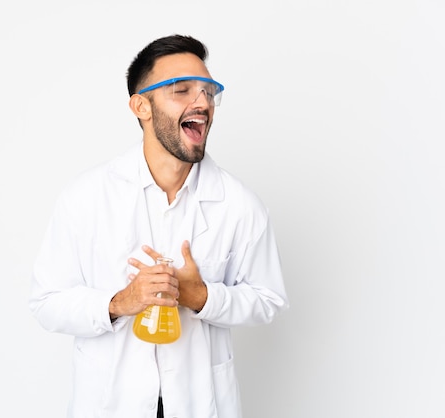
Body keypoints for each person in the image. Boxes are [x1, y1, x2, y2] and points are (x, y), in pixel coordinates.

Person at [29, 34, 289, 418]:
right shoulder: (85, 198)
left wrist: (201, 297)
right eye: (181, 90)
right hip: (110, 403)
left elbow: (269, 300)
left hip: (199, 401)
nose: (202, 103)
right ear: (141, 107)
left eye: (208, 92)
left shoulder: (240, 205)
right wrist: (120, 303)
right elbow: (46, 302)